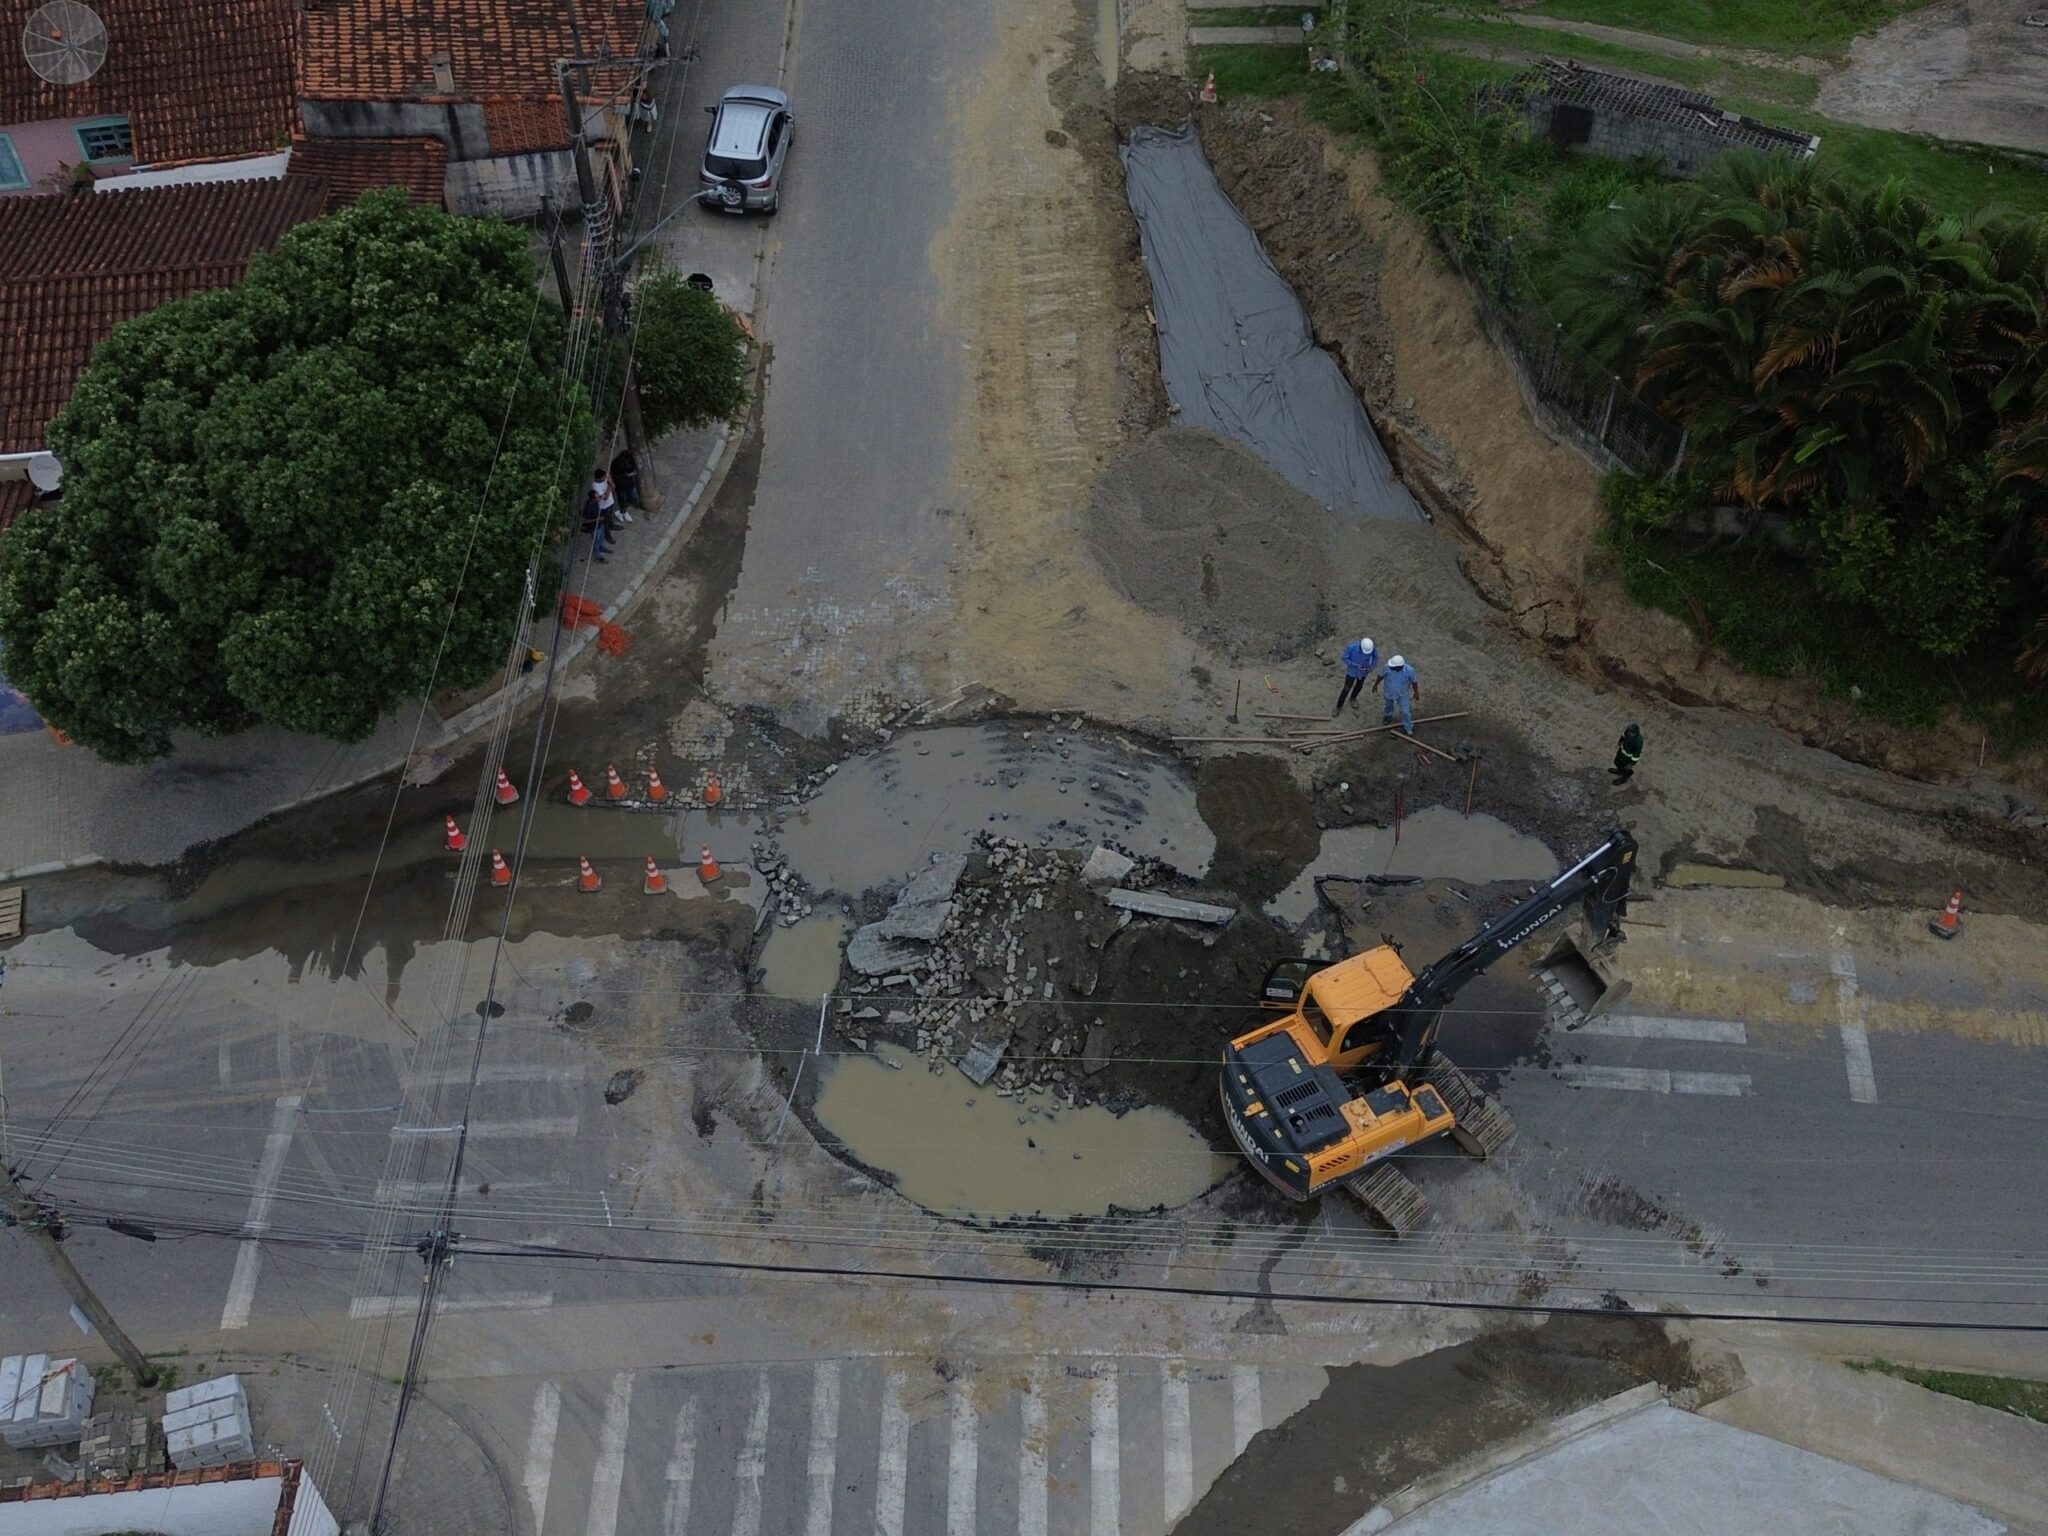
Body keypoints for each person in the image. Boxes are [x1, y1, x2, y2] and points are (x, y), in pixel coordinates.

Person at [1333, 636, 1379, 715]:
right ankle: (1338, 707)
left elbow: (1376, 657)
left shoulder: (1371, 649)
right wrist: (1355, 665)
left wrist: (1370, 668)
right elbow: (1344, 658)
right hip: (1352, 672)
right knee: (1346, 689)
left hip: (1363, 672)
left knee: (1359, 686)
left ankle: (1353, 698)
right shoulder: (1351, 648)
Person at [1375, 654, 1419, 733]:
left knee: (1405, 711)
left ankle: (1409, 728)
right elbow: (1381, 676)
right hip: (1389, 692)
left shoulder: (1409, 671)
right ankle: (1388, 716)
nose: (1391, 667)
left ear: (1399, 667)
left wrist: (1416, 692)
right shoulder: (1387, 667)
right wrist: (1376, 684)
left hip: (1402, 694)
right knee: (1388, 706)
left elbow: (1414, 681)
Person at [580, 489, 613, 563]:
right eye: (597, 497)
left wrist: (608, 489)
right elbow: (586, 521)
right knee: (596, 542)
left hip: (600, 524)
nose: (599, 498)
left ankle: (602, 548)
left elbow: (603, 497)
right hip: (594, 527)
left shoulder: (596, 501)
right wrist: (597, 519)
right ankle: (598, 557)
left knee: (602, 536)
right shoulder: (588, 508)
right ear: (592, 499)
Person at [609, 447, 643, 512]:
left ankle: (632, 502)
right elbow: (615, 475)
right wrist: (626, 475)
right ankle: (623, 507)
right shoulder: (616, 463)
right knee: (621, 496)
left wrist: (633, 472)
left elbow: (633, 465)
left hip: (629, 482)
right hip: (620, 483)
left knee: (631, 493)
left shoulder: (630, 459)